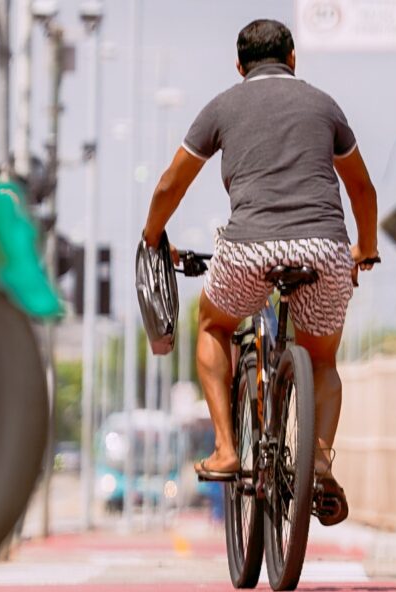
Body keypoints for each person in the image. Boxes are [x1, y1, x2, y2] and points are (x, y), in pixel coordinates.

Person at [141, 19, 378, 526]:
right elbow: (362, 189)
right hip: (325, 249)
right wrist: (367, 249)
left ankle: (227, 448)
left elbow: (170, 185)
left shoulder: (223, 105)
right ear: (292, 58)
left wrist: (152, 236)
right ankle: (317, 459)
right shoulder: (324, 105)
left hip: (248, 251)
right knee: (323, 362)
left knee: (214, 326)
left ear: (239, 65)